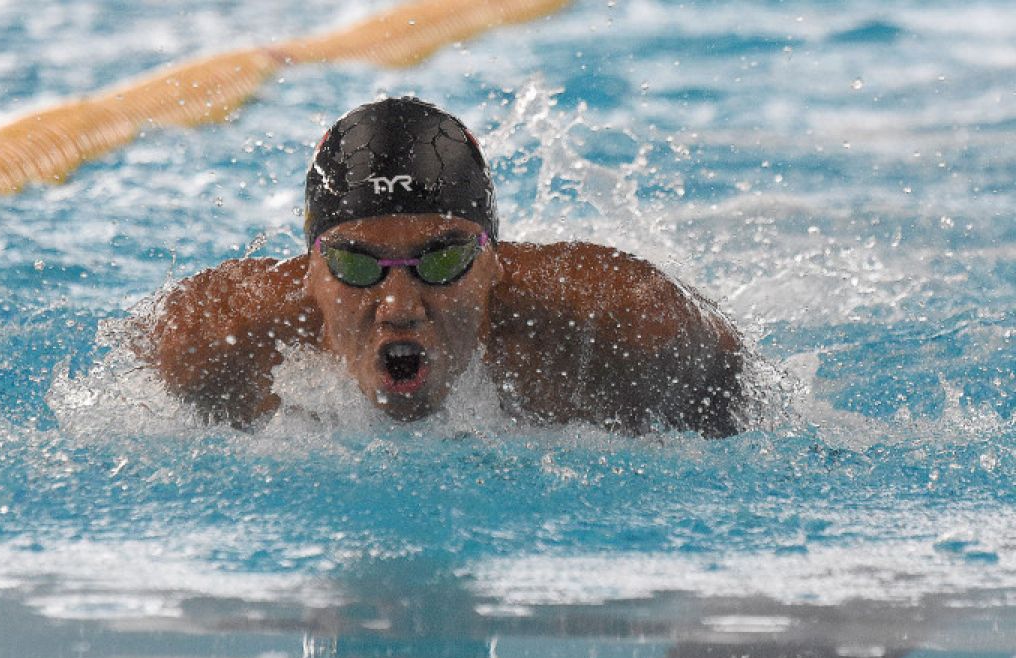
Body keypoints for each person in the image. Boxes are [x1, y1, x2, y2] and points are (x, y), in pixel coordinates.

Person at [136, 97, 746, 436]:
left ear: (494, 263)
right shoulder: (210, 340)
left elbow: (733, 381)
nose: (400, 304)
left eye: (445, 259)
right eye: (354, 264)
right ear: (311, 271)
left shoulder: (621, 323)